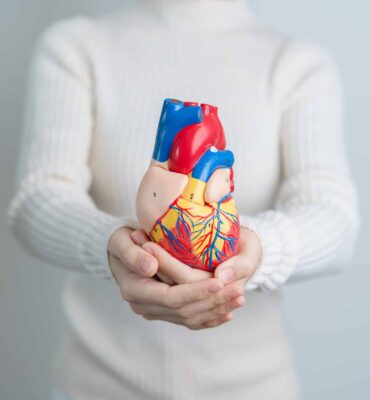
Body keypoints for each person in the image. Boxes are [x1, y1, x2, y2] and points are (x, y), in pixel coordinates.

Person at [8, 0, 360, 399]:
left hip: (255, 388)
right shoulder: (77, 46)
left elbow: (334, 216)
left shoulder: (297, 63)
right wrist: (111, 246)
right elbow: (37, 199)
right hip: (95, 385)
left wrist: (256, 250)